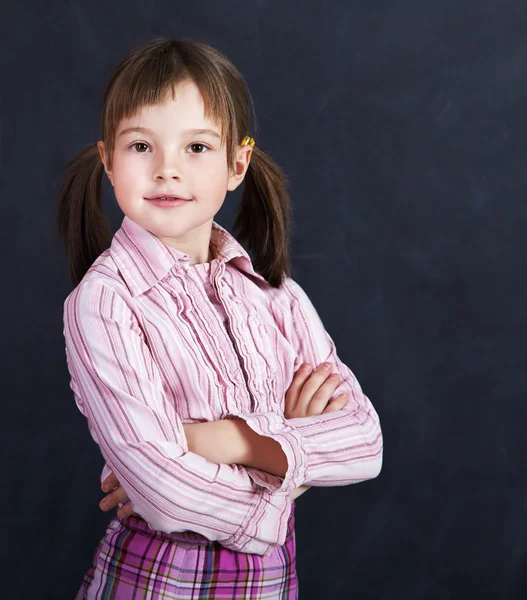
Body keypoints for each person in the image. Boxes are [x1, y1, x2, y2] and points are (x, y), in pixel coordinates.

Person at [58, 37, 383, 599]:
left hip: (270, 585)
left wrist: (222, 441)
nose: (167, 170)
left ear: (237, 164)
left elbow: (363, 443)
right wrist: (291, 463)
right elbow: (161, 490)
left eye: (197, 148)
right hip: (156, 581)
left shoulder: (277, 297)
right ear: (109, 160)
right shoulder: (106, 302)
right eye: (141, 145)